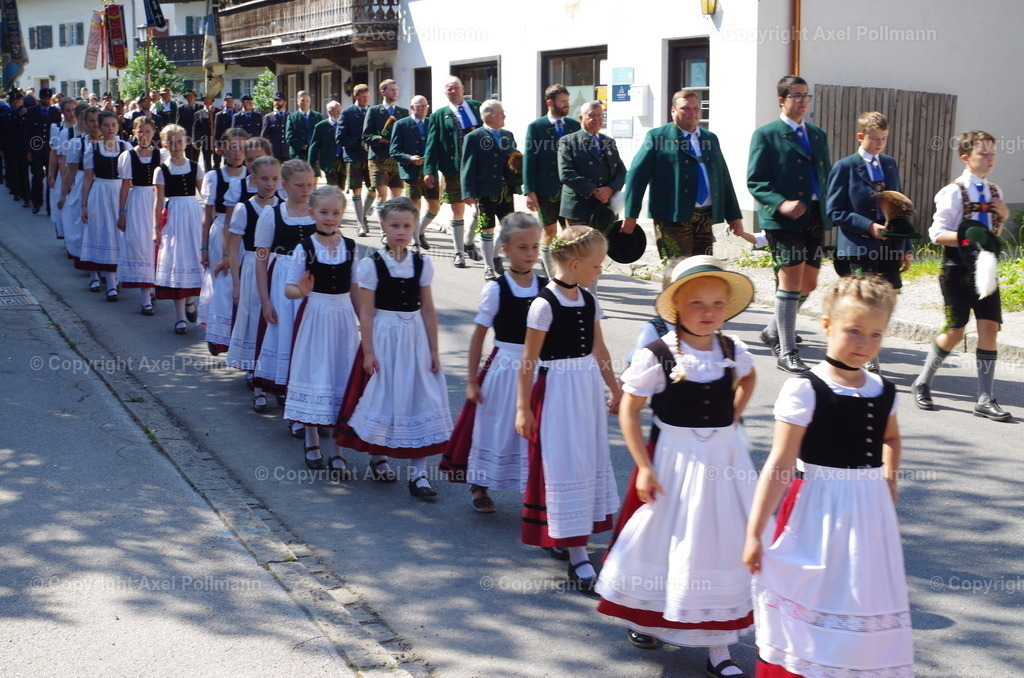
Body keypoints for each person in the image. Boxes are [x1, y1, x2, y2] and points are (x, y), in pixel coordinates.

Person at [596, 256, 757, 678]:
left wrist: (734, 413)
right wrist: (644, 467)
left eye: (717, 304)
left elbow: (750, 377)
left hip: (725, 461)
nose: (708, 313)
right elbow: (630, 411)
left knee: (720, 544)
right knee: (667, 541)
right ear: (676, 308)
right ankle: (646, 617)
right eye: (697, 303)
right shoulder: (658, 354)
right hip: (676, 460)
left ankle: (718, 645)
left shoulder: (731, 349)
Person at [744, 275, 912, 678]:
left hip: (869, 513)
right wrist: (755, 531)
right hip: (816, 505)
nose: (863, 344)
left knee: (861, 598)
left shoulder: (883, 389)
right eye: (853, 331)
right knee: (814, 594)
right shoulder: (805, 389)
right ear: (826, 326)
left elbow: (889, 437)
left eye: (875, 334)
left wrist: (889, 473)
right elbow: (780, 463)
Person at [515, 225, 620, 593]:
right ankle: (577, 553)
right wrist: (522, 409)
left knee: (586, 459)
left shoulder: (590, 300)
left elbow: (600, 350)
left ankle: (568, 533)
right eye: (597, 264)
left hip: (586, 387)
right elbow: (528, 359)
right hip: (557, 389)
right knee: (564, 463)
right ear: (575, 264)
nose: (600, 270)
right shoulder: (544, 305)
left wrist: (615, 388)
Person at [336, 197, 452, 499]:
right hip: (385, 338)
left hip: (414, 338)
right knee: (385, 397)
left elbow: (428, 309)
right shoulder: (371, 265)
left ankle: (419, 474)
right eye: (395, 225)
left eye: (407, 226)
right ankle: (379, 456)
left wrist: (434, 350)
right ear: (383, 227)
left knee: (420, 397)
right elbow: (367, 311)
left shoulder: (421, 262)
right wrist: (369, 350)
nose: (401, 231)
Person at [441, 213, 546, 511]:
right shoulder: (497, 289)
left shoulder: (546, 287)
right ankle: (481, 483)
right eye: (523, 247)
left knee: (533, 428)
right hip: (504, 367)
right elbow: (478, 337)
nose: (530, 253)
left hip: (536, 368)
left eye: (535, 247)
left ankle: (532, 488)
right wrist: (472, 380)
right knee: (496, 425)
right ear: (505, 249)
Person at [911, 130, 1012, 422]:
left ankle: (985, 398)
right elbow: (935, 234)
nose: (991, 158)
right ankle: (923, 381)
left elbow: (993, 236)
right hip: (956, 270)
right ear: (966, 157)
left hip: (987, 268)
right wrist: (968, 240)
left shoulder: (996, 192)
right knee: (955, 330)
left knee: (990, 329)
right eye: (984, 153)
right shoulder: (953, 191)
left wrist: (1002, 217)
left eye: (993, 153)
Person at [747, 75, 833, 374]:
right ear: (781, 100)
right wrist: (781, 203)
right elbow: (755, 181)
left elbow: (826, 176)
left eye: (806, 95)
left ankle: (773, 330)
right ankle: (787, 351)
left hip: (814, 216)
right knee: (791, 280)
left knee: (808, 283)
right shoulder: (767, 135)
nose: (802, 101)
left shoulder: (818, 135)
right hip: (783, 220)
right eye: (796, 95)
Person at [283, 186, 360, 477]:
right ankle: (311, 438)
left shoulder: (351, 246)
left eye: (336, 212)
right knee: (316, 374)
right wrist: (299, 290)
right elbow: (290, 288)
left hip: (342, 319)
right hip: (315, 315)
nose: (330, 217)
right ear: (312, 213)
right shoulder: (305, 247)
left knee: (340, 378)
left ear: (342, 214)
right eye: (324, 212)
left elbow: (355, 289)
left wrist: (364, 322)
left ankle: (337, 449)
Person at [826, 111, 909, 373]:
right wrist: (868, 226)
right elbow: (834, 211)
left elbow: (899, 209)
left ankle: (869, 346)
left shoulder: (889, 164)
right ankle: (864, 360)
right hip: (858, 247)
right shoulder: (845, 167)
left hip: (887, 247)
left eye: (883, 138)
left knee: (888, 299)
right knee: (865, 300)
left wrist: (905, 248)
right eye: (874, 139)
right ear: (860, 136)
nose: (879, 144)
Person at [623, 89, 743, 262]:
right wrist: (631, 214)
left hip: (705, 217)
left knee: (702, 269)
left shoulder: (710, 138)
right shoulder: (658, 137)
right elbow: (637, 176)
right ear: (673, 111)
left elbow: (723, 177)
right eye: (686, 108)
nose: (692, 113)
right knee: (676, 268)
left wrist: (733, 215)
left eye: (696, 108)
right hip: (673, 217)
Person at [251, 160, 317, 412]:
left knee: (302, 338)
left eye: (310, 184)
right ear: (285, 185)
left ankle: (295, 393)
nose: (306, 189)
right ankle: (265, 386)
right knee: (278, 334)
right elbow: (261, 259)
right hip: (281, 282)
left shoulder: (318, 212)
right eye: (300, 185)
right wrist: (265, 300)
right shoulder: (272, 214)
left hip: (309, 283)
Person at [225, 155, 282, 399]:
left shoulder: (283, 208)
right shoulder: (244, 208)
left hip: (277, 268)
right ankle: (255, 373)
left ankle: (274, 374)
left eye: (275, 179)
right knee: (253, 317)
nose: (270, 184)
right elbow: (233, 247)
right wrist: (236, 283)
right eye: (264, 178)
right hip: (251, 266)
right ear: (253, 179)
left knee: (275, 319)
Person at [198, 127, 250, 355]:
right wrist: (204, 247)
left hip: (247, 235)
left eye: (242, 147)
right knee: (222, 281)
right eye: (233, 147)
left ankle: (239, 332)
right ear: (223, 149)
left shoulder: (253, 176)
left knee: (242, 283)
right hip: (221, 230)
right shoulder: (214, 177)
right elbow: (207, 216)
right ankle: (217, 331)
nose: (237, 152)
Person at [423, 76, 482, 268]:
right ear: (445, 93)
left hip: (479, 166)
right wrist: (429, 170)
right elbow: (431, 145)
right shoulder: (439, 115)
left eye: (456, 88)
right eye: (449, 89)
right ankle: (458, 253)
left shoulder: (477, 107)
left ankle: (469, 240)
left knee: (481, 208)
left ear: (463, 88)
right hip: (453, 168)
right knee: (457, 209)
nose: (453, 92)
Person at [460, 99, 522, 280]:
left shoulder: (508, 135)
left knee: (507, 228)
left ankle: (495, 255)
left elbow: (514, 160)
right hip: (485, 191)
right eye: (501, 113)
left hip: (506, 191)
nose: (504, 116)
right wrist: (468, 192)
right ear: (489, 116)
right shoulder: (474, 137)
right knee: (487, 228)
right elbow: (467, 166)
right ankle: (488, 267)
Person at [524, 84, 581, 277]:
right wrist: (529, 191)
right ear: (550, 103)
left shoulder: (573, 125)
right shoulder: (536, 127)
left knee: (570, 233)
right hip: (545, 189)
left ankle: (568, 270)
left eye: (567, 101)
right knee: (549, 232)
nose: (567, 105)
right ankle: (550, 275)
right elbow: (529, 160)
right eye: (562, 101)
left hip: (570, 190)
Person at [153, 124, 204, 334]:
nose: (175, 146)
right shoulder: (161, 169)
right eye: (171, 142)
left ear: (186, 142)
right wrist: (155, 228)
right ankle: (180, 316)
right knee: (176, 261)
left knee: (192, 258)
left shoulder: (195, 167)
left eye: (179, 142)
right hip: (173, 216)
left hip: (192, 214)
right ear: (165, 144)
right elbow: (158, 201)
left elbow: (206, 195)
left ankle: (190, 301)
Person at [80, 110, 132, 299]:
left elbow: (131, 177)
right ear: (99, 127)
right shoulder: (92, 149)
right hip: (100, 192)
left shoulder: (125, 146)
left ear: (118, 127)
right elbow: (87, 179)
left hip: (120, 192)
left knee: (119, 235)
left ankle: (117, 276)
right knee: (104, 234)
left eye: (113, 125)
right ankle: (109, 281)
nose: (110, 129)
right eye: (106, 125)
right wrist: (84, 205)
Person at [116, 117, 161, 314]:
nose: (144, 135)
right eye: (140, 131)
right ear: (134, 133)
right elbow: (125, 186)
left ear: (154, 133)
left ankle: (153, 288)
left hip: (156, 200)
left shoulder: (161, 155)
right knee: (140, 246)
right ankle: (145, 298)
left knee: (156, 247)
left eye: (147, 131)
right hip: (137, 202)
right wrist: (122, 212)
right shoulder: (128, 156)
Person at [557, 100, 626, 227]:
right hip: (579, 208)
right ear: (581, 118)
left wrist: (610, 189)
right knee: (579, 245)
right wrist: (594, 190)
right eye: (591, 115)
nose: (597, 119)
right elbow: (566, 173)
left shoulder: (608, 142)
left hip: (605, 208)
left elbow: (621, 171)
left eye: (599, 115)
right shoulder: (568, 141)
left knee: (604, 245)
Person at [389, 94, 439, 249]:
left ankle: (420, 231)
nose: (423, 109)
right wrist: (410, 158)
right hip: (411, 172)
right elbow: (394, 151)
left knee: (435, 205)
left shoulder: (432, 123)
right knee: (414, 206)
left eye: (425, 106)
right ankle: (416, 241)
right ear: (412, 107)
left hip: (429, 171)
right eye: (420, 106)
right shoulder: (402, 124)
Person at [58, 105, 100, 270]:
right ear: (84, 123)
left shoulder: (112, 143)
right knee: (84, 225)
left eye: (98, 120)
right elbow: (71, 171)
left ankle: (106, 267)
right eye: (91, 121)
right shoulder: (77, 143)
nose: (95, 124)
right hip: (84, 183)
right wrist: (63, 194)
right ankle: (91, 267)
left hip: (104, 186)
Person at [362, 79, 408, 223]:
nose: (395, 92)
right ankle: (383, 230)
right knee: (381, 195)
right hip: (378, 158)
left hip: (396, 159)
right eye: (391, 89)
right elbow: (366, 135)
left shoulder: (403, 112)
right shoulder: (374, 111)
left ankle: (392, 223)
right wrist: (381, 139)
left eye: (396, 89)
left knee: (396, 195)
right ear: (383, 92)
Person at [337, 84, 373, 235]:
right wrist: (357, 142)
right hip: (353, 156)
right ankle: (360, 225)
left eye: (367, 96)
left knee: (374, 189)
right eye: (362, 96)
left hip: (372, 157)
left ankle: (363, 215)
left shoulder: (373, 111)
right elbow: (340, 138)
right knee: (356, 189)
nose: (365, 99)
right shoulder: (347, 113)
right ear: (356, 96)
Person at [27, 87, 62, 214]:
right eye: (44, 98)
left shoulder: (55, 112)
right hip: (36, 149)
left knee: (50, 178)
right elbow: (28, 131)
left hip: (50, 150)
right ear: (40, 98)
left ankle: (49, 206)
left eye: (48, 98)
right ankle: (36, 201)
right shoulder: (32, 111)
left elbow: (58, 131)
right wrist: (29, 151)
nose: (46, 100)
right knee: (37, 177)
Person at [48, 97, 78, 238]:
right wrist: (51, 173)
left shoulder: (83, 128)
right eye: (68, 110)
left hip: (79, 171)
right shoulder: (58, 129)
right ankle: (65, 233)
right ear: (62, 112)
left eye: (73, 110)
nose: (71, 113)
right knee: (64, 202)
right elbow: (55, 153)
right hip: (64, 170)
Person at [308, 100, 343, 187]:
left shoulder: (343, 124)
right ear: (329, 112)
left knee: (341, 188)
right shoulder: (320, 126)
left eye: (340, 111)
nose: (339, 113)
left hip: (342, 161)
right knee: (332, 187)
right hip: (329, 162)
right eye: (337, 111)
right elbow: (314, 147)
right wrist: (310, 166)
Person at [285, 90, 322, 161]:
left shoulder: (318, 116)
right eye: (302, 101)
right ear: (297, 102)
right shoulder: (292, 117)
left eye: (307, 101)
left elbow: (322, 135)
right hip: (298, 155)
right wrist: (302, 146)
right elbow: (289, 137)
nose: (305, 103)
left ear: (310, 102)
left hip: (315, 154)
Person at [259, 91, 290, 162]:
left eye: (279, 100)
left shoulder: (290, 116)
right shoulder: (269, 117)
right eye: (275, 100)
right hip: (274, 154)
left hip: (288, 153)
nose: (277, 102)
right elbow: (263, 137)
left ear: (285, 102)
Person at [193, 95, 219, 171]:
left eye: (208, 99)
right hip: (205, 139)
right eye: (205, 99)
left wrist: (213, 112)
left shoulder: (218, 111)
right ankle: (208, 173)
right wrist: (194, 140)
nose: (206, 101)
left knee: (217, 159)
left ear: (212, 100)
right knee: (206, 159)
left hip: (216, 139)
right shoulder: (198, 113)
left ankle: (217, 172)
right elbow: (195, 127)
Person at [176, 90, 202, 163]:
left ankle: (196, 170)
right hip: (187, 136)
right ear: (186, 98)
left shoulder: (200, 107)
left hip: (197, 136)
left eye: (191, 96)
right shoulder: (181, 108)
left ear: (194, 97)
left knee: (196, 155)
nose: (190, 98)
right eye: (188, 97)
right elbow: (178, 123)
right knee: (189, 156)